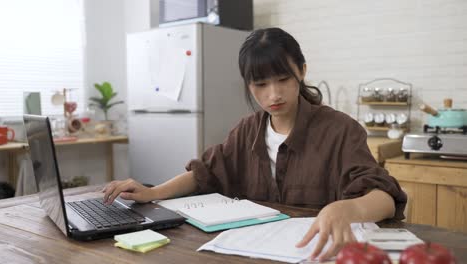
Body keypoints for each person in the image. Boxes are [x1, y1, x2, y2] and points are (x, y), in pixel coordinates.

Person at [103, 27, 407, 261]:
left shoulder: (340, 129)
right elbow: (205, 173)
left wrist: (348, 209)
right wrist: (152, 192)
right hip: (256, 254)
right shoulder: (247, 131)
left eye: (283, 79)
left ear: (302, 71)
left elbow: (385, 198)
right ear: (248, 84)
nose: (273, 94)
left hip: (317, 254)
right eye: (260, 84)